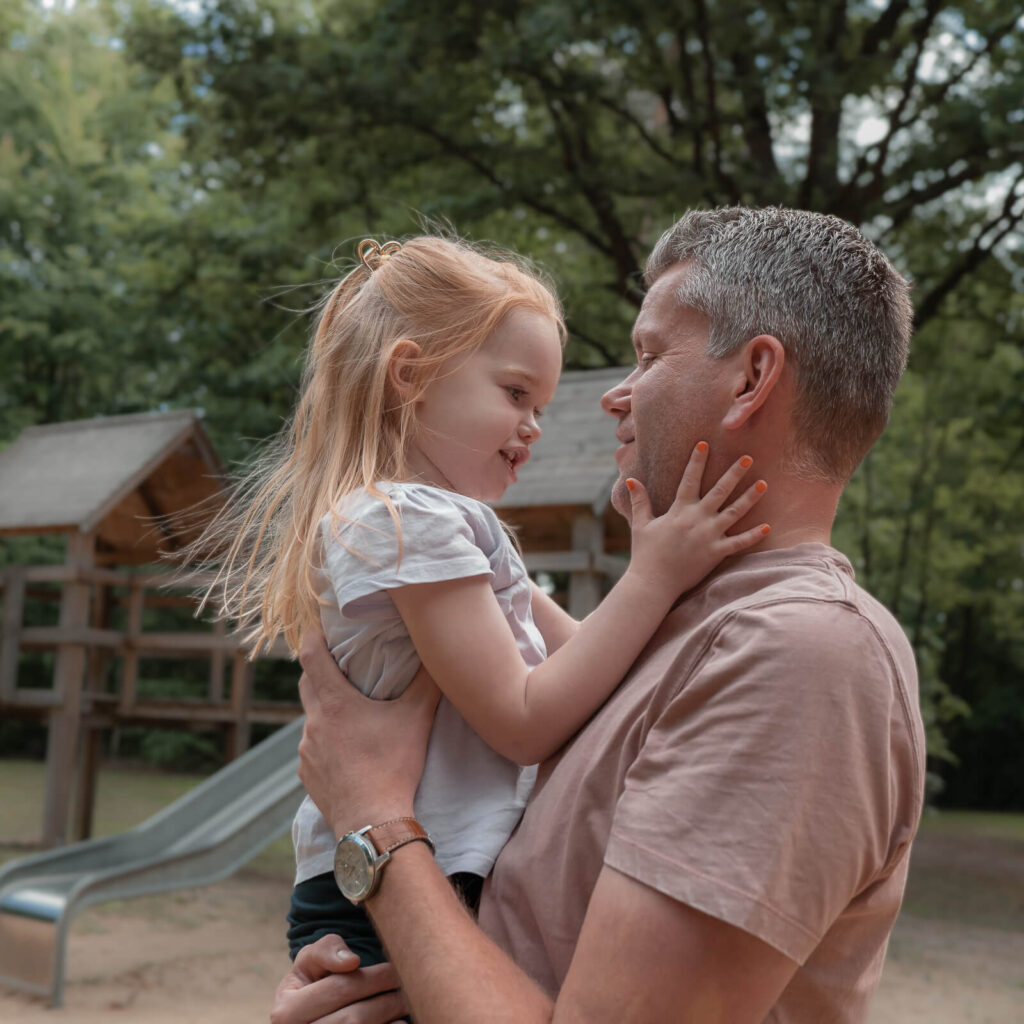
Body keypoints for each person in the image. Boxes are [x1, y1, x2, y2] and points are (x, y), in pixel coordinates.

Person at [272, 207, 927, 1024]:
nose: (614, 395)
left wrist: (373, 825)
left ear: (753, 378)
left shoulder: (805, 651)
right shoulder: (685, 636)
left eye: (649, 355)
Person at [198, 235, 770, 971]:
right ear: (411, 376)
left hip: (425, 869)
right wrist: (654, 577)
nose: (534, 424)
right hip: (392, 889)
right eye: (515, 394)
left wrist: (662, 574)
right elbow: (522, 721)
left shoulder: (444, 529)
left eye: (540, 402)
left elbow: (598, 664)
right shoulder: (405, 523)